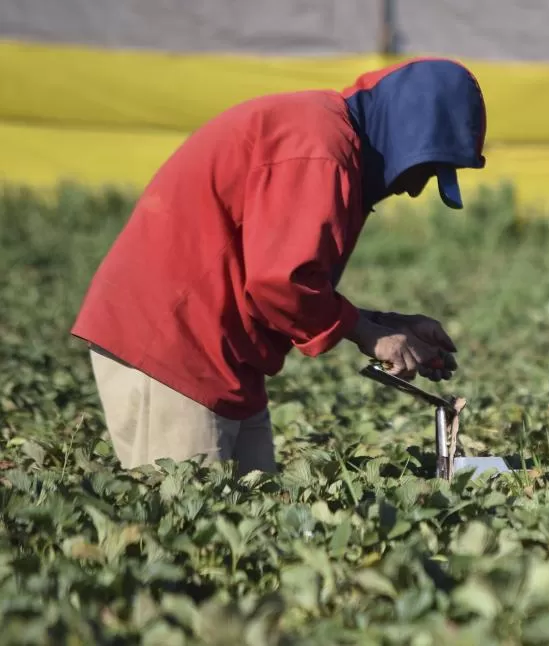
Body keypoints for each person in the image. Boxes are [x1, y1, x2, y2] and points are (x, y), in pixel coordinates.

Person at [70, 57, 488, 476]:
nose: (415, 190)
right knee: (190, 510)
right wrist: (368, 335)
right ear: (407, 134)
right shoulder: (319, 148)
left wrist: (383, 324)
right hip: (172, 350)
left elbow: (286, 277)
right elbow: (280, 283)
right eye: (425, 169)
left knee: (255, 502)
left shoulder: (325, 136)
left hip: (224, 356)